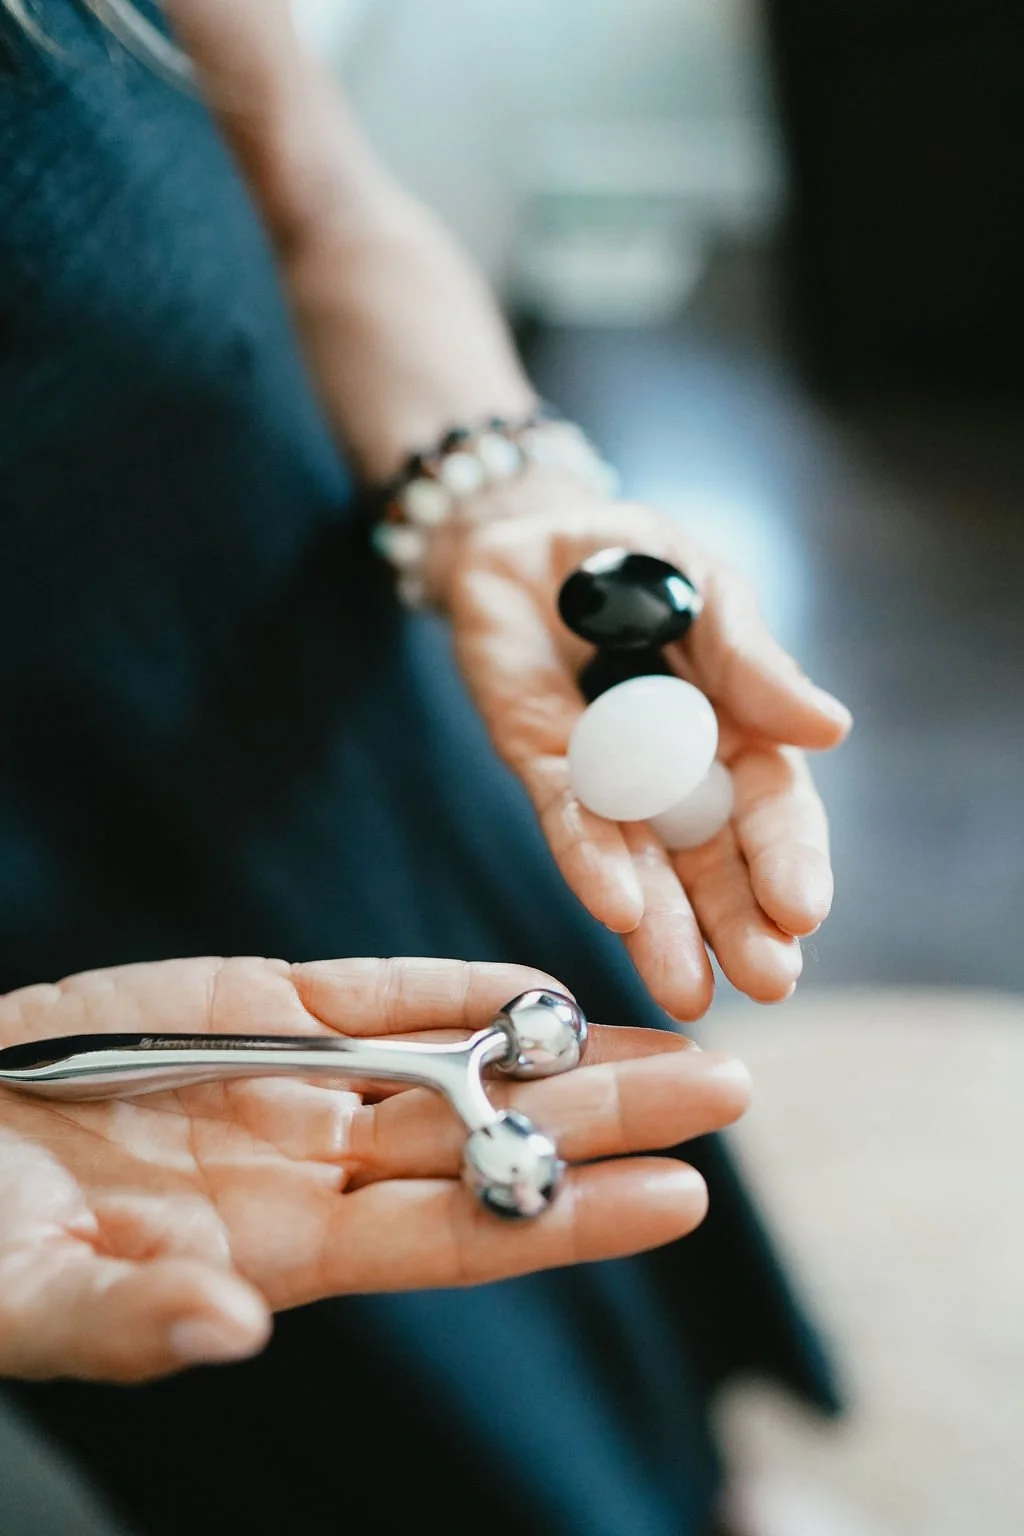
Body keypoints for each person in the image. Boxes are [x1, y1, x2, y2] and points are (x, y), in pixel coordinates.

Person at [0, 3, 850, 1533]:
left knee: (625, 1230)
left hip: (345, 724)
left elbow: (322, 203)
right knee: (385, 1434)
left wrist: (498, 495)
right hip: (49, 988)